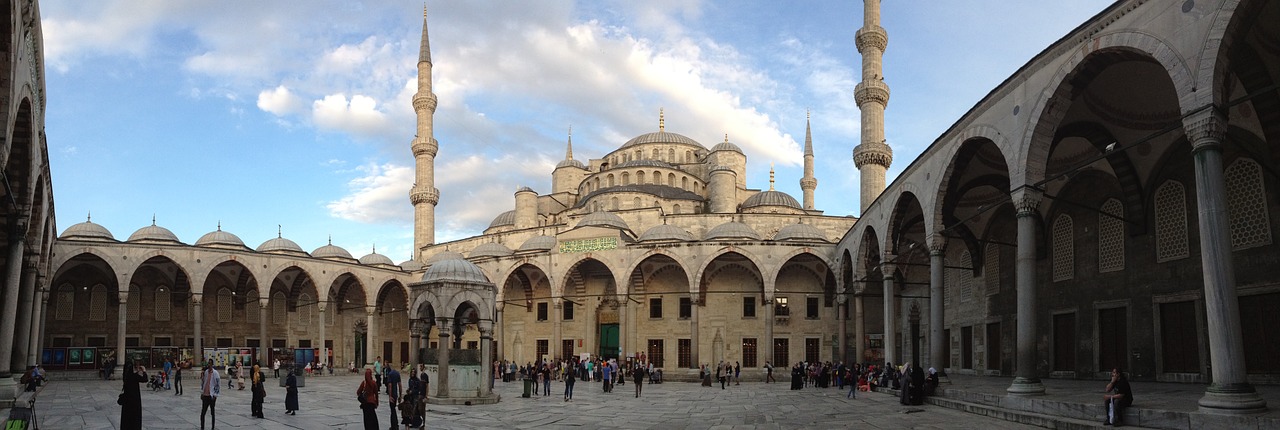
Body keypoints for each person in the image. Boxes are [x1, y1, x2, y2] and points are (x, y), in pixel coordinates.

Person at [117, 360, 145, 429]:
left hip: (127, 402)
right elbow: (145, 379)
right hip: (134, 402)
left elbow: (132, 376)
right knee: (134, 419)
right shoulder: (134, 376)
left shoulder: (125, 377)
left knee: (126, 419)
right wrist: (144, 371)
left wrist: (137, 372)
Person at [199, 361, 220, 430]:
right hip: (205, 395)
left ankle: (213, 427)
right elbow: (203, 382)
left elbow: (217, 384)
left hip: (211, 395)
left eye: (210, 364)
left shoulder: (215, 373)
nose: (209, 365)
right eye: (208, 364)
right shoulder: (206, 372)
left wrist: (215, 394)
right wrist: (202, 392)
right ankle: (202, 427)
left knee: (212, 413)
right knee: (203, 413)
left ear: (212, 365)